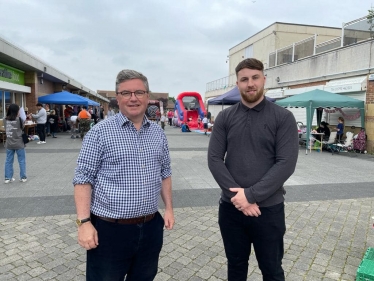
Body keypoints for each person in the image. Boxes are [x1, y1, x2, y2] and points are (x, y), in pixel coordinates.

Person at [73, 69, 174, 281]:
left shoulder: (158, 134)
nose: (133, 98)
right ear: (117, 98)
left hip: (150, 228)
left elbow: (165, 172)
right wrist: (84, 223)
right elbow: (83, 178)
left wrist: (169, 209)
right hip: (110, 230)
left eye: (139, 92)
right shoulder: (99, 133)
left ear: (148, 96)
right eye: (126, 93)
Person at [208, 58, 299, 281]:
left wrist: (250, 195)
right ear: (237, 84)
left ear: (264, 79)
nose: (250, 84)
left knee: (272, 269)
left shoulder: (283, 117)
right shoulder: (225, 117)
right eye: (244, 79)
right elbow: (214, 159)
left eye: (255, 78)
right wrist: (236, 197)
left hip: (268, 210)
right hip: (231, 210)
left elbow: (286, 163)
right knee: (236, 267)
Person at [3, 104, 27, 183]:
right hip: (19, 143)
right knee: (21, 160)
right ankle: (23, 177)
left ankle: (7, 178)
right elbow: (22, 128)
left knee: (8, 161)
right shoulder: (19, 119)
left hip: (9, 143)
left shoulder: (5, 119)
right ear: (17, 111)